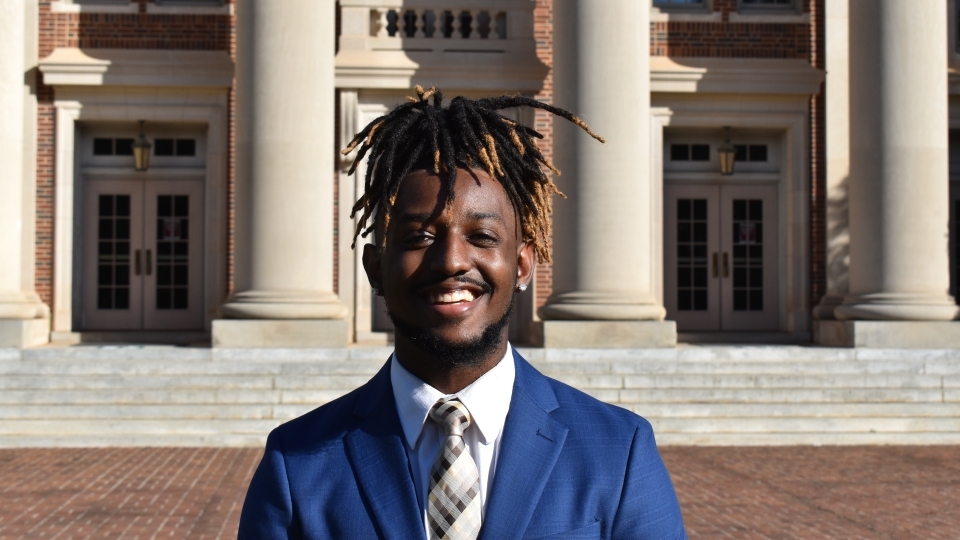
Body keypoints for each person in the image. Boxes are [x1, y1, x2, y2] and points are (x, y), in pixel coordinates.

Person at [238, 87, 687, 539]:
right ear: (376, 268)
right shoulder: (296, 463)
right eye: (419, 238)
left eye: (483, 237)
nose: (451, 260)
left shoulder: (618, 451)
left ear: (523, 265)